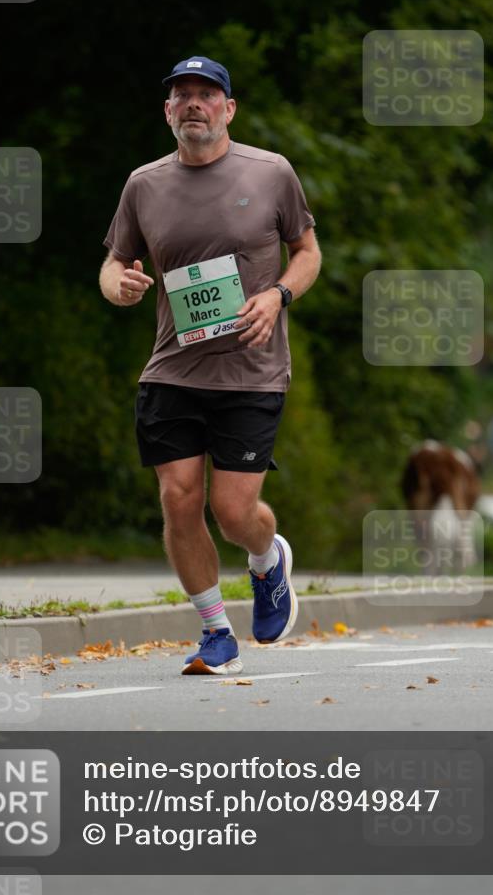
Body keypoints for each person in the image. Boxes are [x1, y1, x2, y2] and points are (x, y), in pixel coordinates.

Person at [99, 56, 321, 675]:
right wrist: (117, 284)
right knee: (177, 498)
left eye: (206, 94)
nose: (194, 104)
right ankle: (215, 630)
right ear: (168, 111)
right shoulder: (143, 184)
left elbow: (307, 251)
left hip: (251, 372)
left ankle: (267, 560)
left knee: (233, 513)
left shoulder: (272, 173)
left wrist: (279, 296)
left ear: (229, 109)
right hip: (171, 369)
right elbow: (114, 262)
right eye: (182, 96)